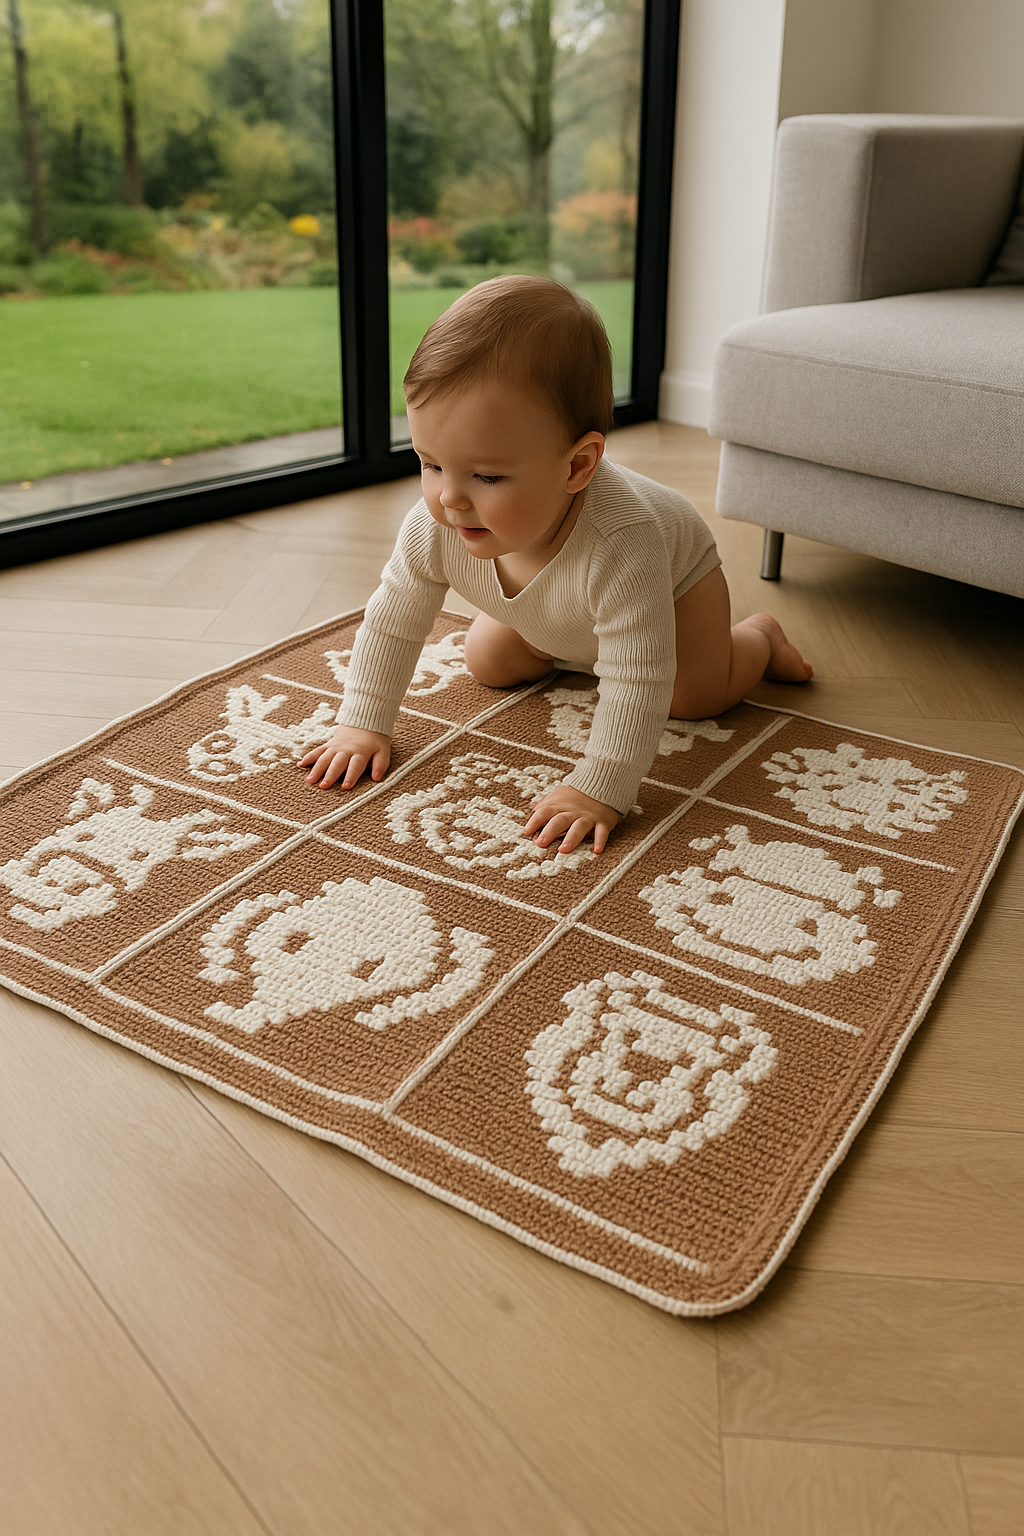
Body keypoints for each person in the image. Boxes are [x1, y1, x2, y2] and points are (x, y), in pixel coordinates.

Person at [299, 275, 811, 855]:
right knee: (487, 659)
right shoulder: (435, 522)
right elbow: (393, 620)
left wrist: (600, 789)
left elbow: (639, 677)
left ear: (577, 466)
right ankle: (570, 648)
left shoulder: (624, 542)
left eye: (486, 476)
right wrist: (363, 720)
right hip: (564, 613)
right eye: (431, 462)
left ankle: (758, 639)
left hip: (675, 589)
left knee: (689, 698)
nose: (449, 497)